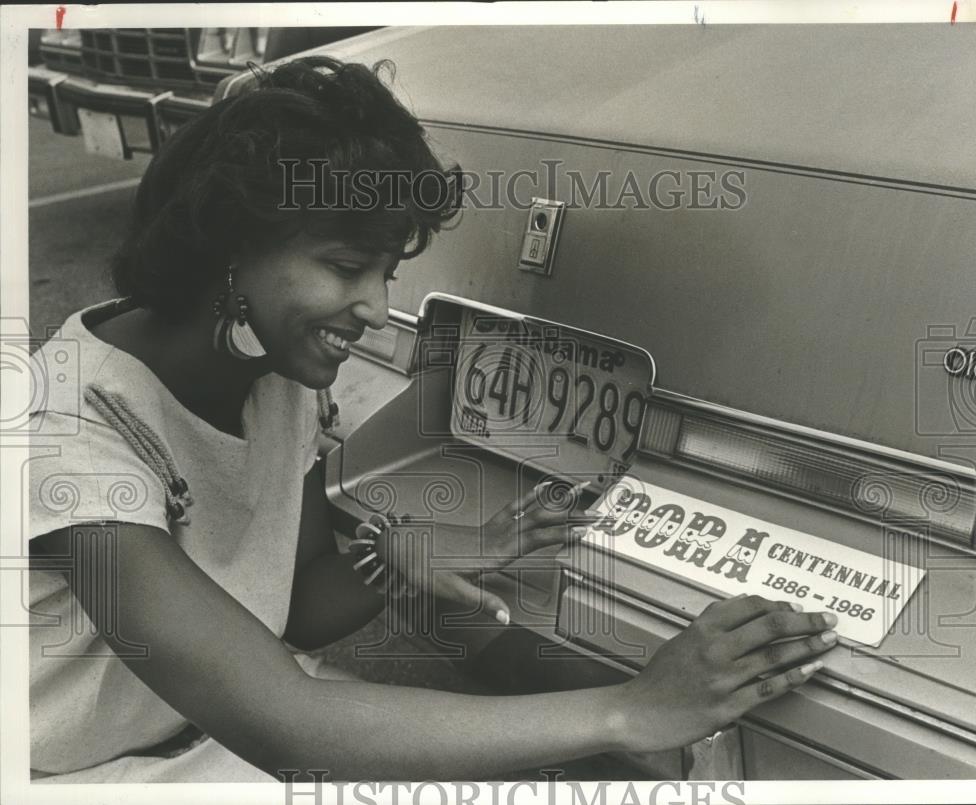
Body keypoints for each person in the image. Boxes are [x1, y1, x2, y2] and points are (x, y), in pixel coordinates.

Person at [26, 55, 838, 783]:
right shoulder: (65, 433)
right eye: (345, 267)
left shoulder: (276, 373)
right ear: (230, 247)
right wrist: (632, 707)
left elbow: (298, 604)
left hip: (217, 747)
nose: (377, 310)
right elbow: (287, 724)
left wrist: (407, 553)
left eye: (385, 271)